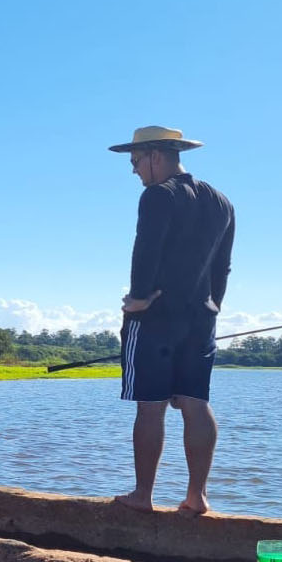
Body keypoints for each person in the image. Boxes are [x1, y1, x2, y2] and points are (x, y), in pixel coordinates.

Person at [107, 126, 235, 516]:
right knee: (196, 403)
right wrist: (213, 305)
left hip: (156, 319)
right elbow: (222, 267)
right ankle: (197, 497)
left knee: (150, 407)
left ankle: (142, 496)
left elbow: (145, 249)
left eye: (135, 162)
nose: (134, 171)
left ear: (155, 156)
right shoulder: (221, 201)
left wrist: (138, 300)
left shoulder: (157, 196)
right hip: (201, 318)